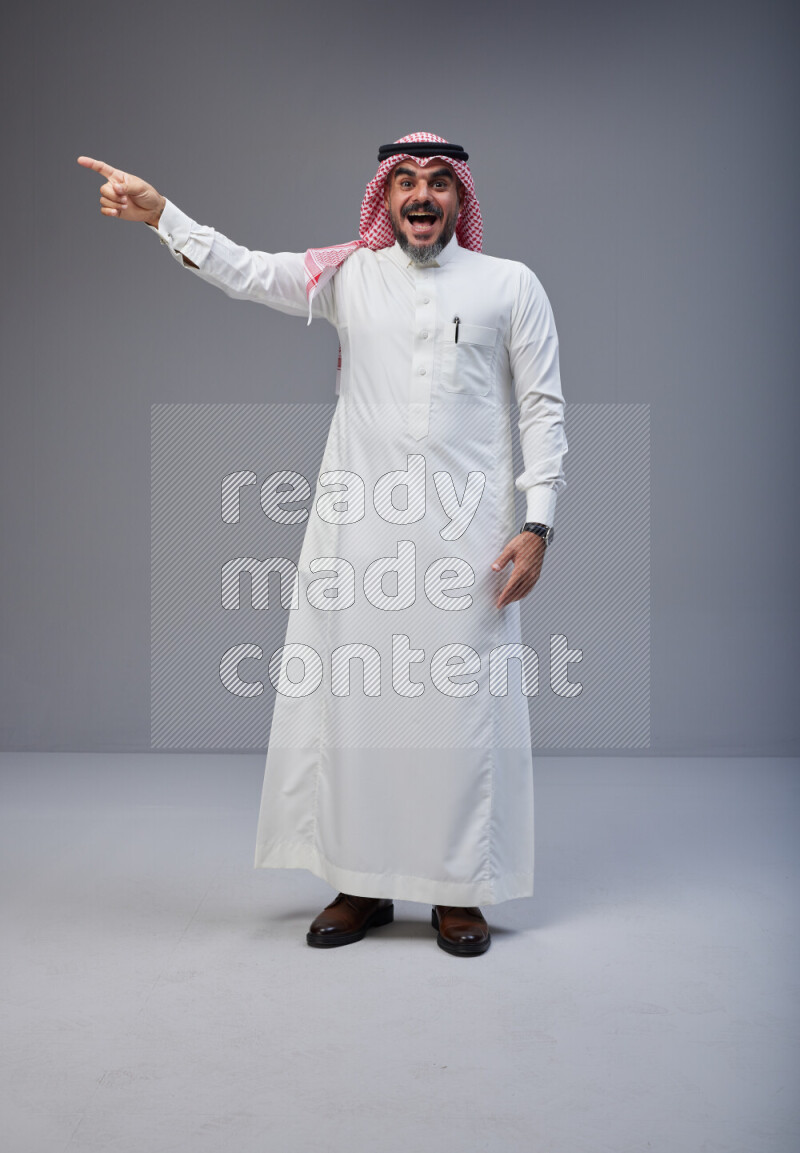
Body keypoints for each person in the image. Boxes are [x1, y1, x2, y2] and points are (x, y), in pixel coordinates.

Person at [77, 131, 567, 958]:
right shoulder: (347, 276)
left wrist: (537, 522)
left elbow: (543, 408)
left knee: (456, 713)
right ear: (385, 195)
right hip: (360, 536)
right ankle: (362, 882)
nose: (420, 196)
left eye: (438, 183)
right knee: (358, 709)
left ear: (460, 199)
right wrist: (163, 215)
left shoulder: (509, 286)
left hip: (469, 541)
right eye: (405, 181)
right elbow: (245, 270)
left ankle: (457, 893)